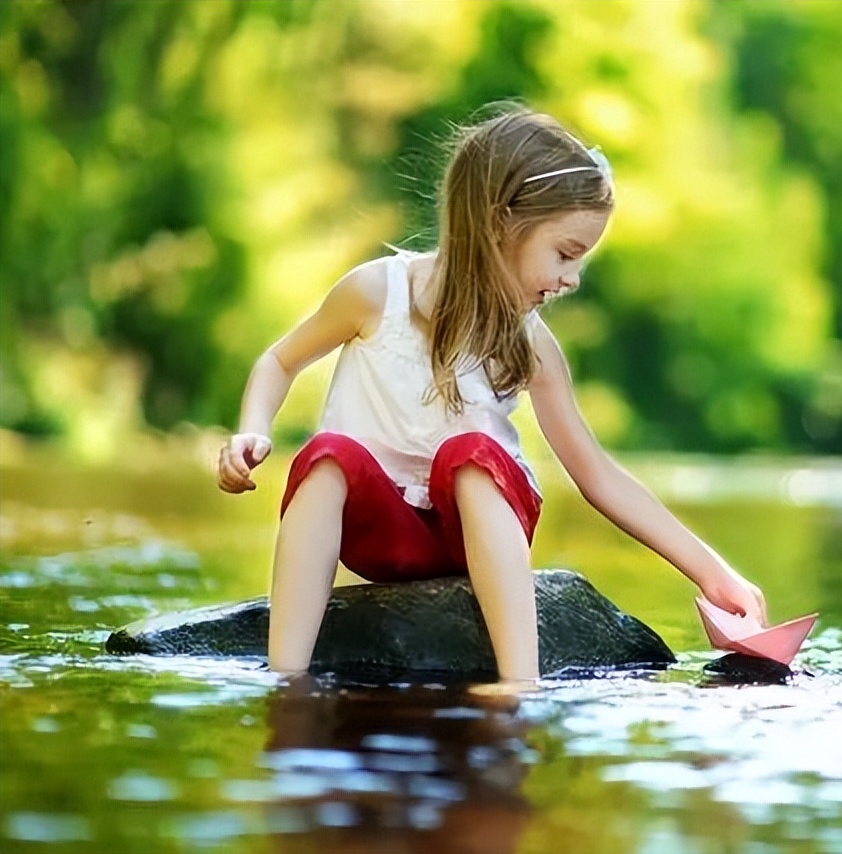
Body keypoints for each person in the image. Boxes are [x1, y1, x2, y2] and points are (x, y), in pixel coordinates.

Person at [216, 105, 768, 686]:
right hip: (381, 533)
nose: (573, 278)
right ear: (500, 223)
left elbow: (598, 474)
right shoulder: (376, 293)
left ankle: (516, 685)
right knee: (326, 455)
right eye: (565, 253)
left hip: (472, 530)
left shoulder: (530, 343)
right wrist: (252, 429)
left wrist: (712, 572)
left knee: (471, 454)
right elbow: (280, 360)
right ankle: (287, 679)